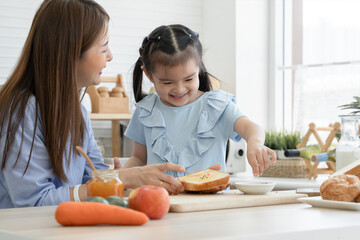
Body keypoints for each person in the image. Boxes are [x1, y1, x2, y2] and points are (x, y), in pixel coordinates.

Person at [0, 0, 185, 209]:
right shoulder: (22, 110)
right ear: (71, 51)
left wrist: (121, 178)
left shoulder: (77, 111)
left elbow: (94, 175)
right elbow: (33, 202)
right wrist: (120, 179)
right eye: (103, 47)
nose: (110, 56)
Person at [123, 25, 277, 190]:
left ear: (199, 67)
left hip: (210, 207)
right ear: (148, 75)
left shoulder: (217, 106)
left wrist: (256, 143)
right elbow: (138, 159)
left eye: (189, 79)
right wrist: (121, 179)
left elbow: (251, 128)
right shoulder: (146, 110)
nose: (179, 89)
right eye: (167, 82)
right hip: (161, 206)